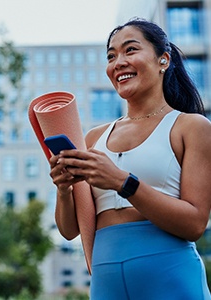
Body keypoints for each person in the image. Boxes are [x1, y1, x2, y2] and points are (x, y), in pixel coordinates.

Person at [48, 18, 211, 299]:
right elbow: (68, 230)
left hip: (170, 276)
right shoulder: (93, 139)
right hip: (105, 282)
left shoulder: (190, 127)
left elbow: (195, 224)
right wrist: (64, 190)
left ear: (163, 60)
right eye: (111, 56)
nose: (118, 62)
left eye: (130, 50)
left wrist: (123, 182)